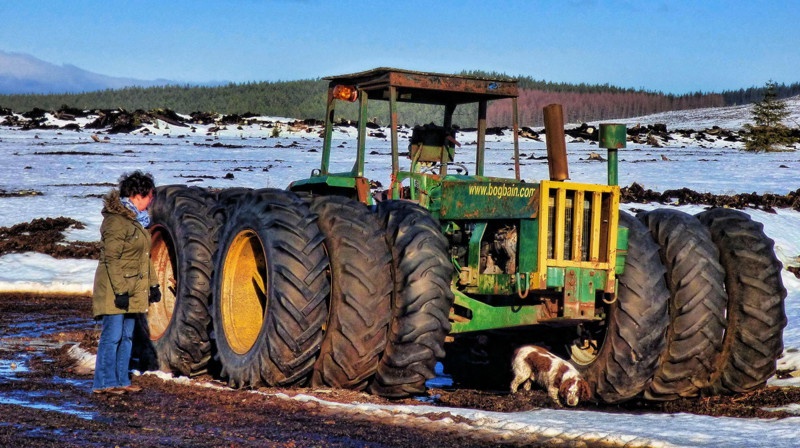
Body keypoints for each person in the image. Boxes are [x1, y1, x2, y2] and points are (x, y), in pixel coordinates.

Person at [91, 170, 161, 395]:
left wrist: (153, 284)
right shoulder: (116, 221)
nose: (152, 200)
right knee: (112, 336)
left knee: (128, 336)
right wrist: (120, 291)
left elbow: (143, 257)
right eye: (150, 195)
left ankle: (121, 380)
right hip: (115, 289)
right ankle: (103, 383)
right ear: (137, 195)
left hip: (133, 289)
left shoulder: (138, 223)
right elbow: (111, 259)